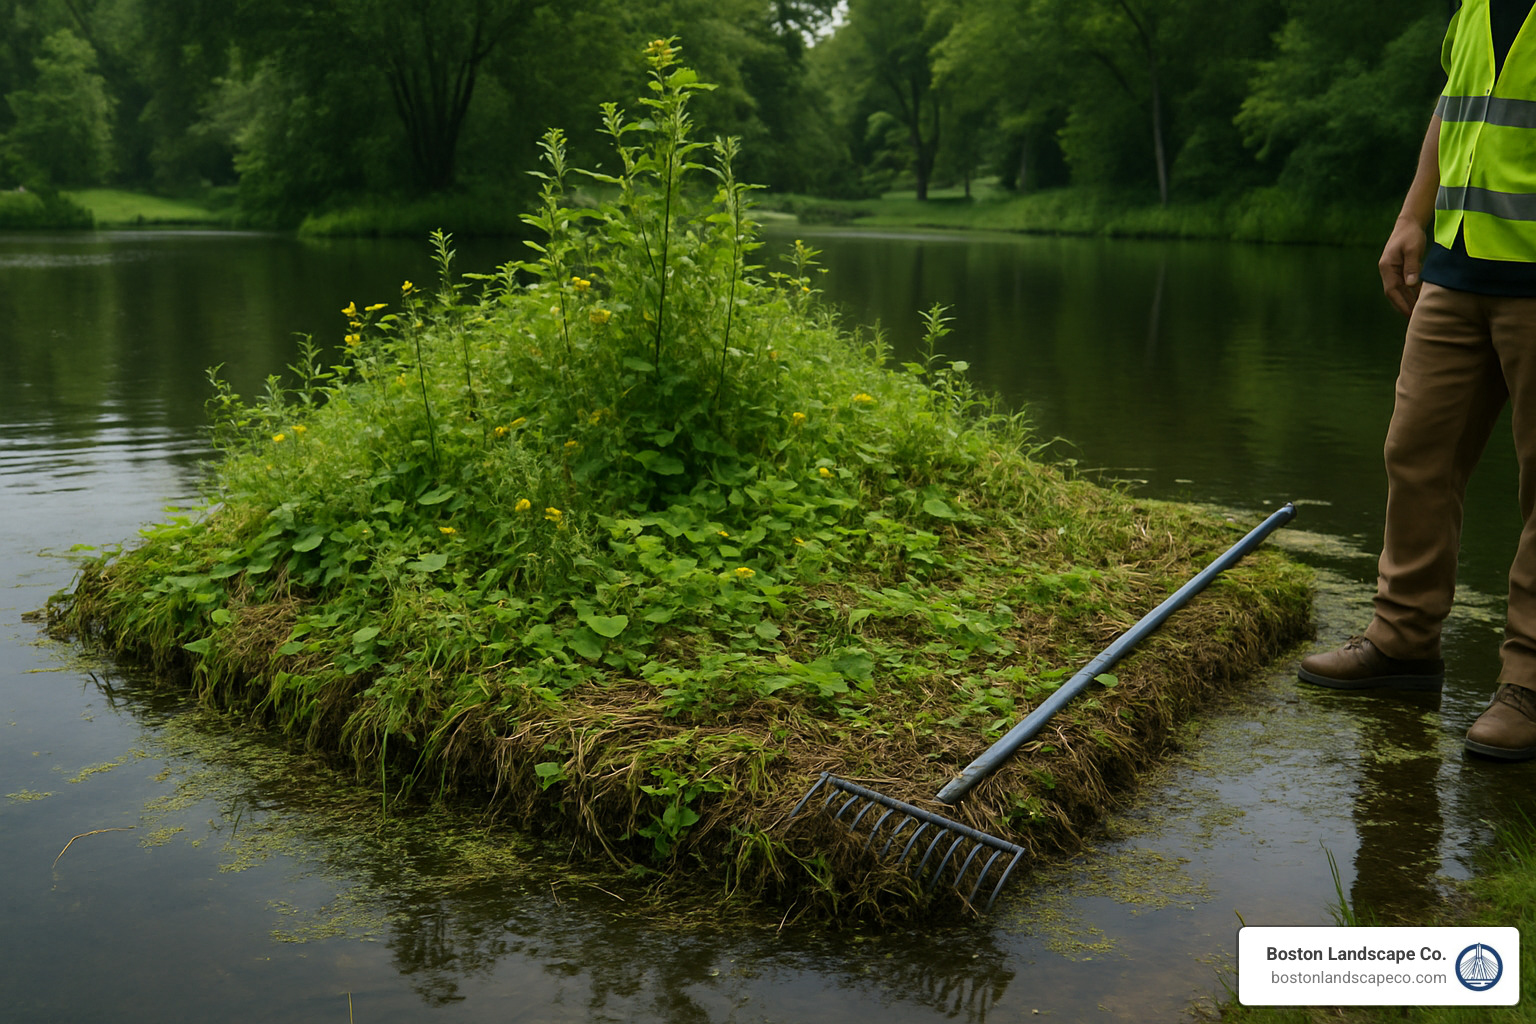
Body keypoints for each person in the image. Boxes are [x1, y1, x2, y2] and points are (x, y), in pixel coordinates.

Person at [1297, 0, 1536, 762]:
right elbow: (1454, 104)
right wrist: (1412, 213)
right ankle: (1402, 642)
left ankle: (1529, 684)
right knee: (1416, 453)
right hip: (1454, 266)